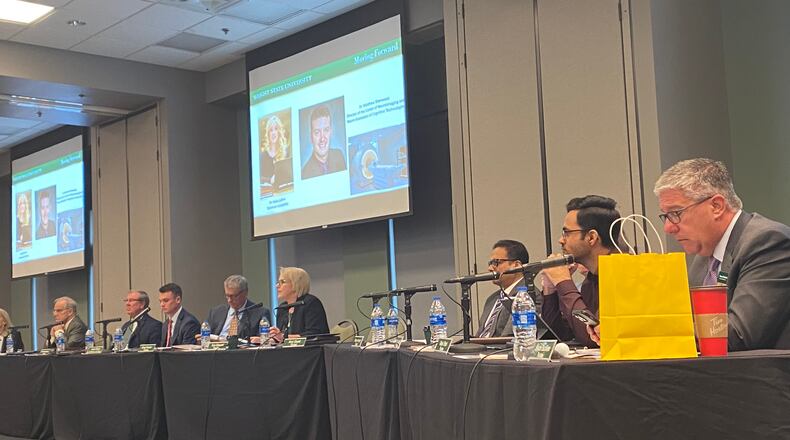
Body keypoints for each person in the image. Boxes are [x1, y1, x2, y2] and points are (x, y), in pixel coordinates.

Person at [655, 158, 790, 351]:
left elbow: (739, 336)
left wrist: (655, 330)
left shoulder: (768, 242)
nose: (668, 228)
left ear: (717, 206)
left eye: (676, 213)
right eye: (665, 216)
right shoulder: (703, 257)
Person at [540, 195, 621, 347]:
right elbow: (562, 335)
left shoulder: (623, 275)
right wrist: (551, 289)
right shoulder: (590, 280)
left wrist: (563, 282)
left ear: (591, 237)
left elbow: (594, 337)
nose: (561, 240)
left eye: (567, 233)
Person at [476, 240, 530, 337]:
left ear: (516, 265)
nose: (490, 268)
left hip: (500, 351)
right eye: (490, 263)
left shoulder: (528, 296)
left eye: (496, 262)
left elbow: (509, 338)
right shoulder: (492, 299)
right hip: (481, 349)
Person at [269, 267, 329, 343]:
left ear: (295, 284)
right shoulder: (282, 308)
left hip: (311, 351)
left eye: (282, 282)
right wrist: (269, 339)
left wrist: (284, 336)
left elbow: (314, 335)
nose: (277, 286)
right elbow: (282, 338)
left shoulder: (310, 303)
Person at [205, 275, 271, 341]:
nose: (229, 300)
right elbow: (205, 335)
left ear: (245, 292)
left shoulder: (260, 313)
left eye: (234, 296)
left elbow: (263, 341)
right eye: (227, 296)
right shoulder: (216, 312)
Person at [301, 105, 346, 179]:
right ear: (311, 137)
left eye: (326, 130)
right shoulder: (305, 174)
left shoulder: (339, 155)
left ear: (331, 132)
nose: (322, 139)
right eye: (317, 132)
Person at [158, 283, 200, 347]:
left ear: (178, 300)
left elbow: (186, 352)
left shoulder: (189, 322)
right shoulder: (166, 324)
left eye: (165, 301)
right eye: (160, 301)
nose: (162, 305)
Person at [260, 114, 289, 186]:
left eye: (276, 129)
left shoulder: (286, 153)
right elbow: (258, 178)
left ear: (279, 132)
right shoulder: (262, 156)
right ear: (268, 133)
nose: (273, 133)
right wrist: (270, 180)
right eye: (271, 130)